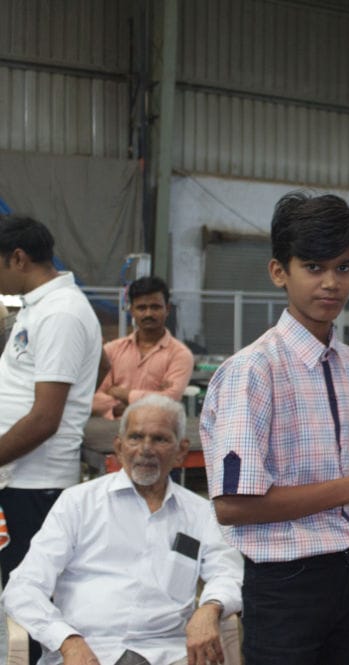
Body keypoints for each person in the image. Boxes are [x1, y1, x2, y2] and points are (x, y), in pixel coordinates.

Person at [200, 191, 349, 665]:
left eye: (343, 268)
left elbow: (343, 472)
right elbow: (234, 505)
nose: (330, 283)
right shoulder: (253, 373)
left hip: (348, 573)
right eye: (314, 267)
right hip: (285, 585)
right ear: (279, 272)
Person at [1, 394, 243, 665]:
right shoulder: (78, 503)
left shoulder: (200, 513)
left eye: (160, 439)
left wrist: (210, 607)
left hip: (168, 653)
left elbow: (229, 574)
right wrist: (67, 640)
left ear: (181, 451)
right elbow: (23, 587)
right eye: (136, 437)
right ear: (118, 446)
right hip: (87, 651)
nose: (146, 449)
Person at [0, 215, 103, 591]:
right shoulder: (37, 307)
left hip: (34, 483)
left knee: (30, 597)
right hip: (18, 476)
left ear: (18, 258)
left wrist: (68, 414)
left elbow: (45, 419)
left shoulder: (60, 312)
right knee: (17, 592)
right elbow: (101, 364)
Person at [92, 276, 195, 419]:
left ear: (168, 309)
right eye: (141, 308)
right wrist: (118, 407)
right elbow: (92, 397)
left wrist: (122, 393)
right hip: (107, 434)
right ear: (131, 310)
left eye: (155, 307)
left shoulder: (180, 355)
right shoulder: (112, 350)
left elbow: (169, 400)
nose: (148, 314)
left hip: (156, 433)